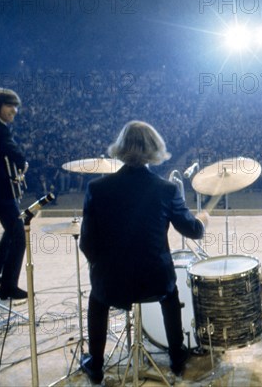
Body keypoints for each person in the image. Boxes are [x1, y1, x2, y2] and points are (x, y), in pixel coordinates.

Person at [79, 120, 209, 383]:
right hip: (154, 280)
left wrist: (102, 269)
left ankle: (95, 365)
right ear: (154, 150)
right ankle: (176, 358)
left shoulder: (97, 188)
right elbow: (192, 230)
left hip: (111, 284)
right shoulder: (167, 189)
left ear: (121, 149)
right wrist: (202, 220)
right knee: (170, 295)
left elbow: (86, 243)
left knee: (97, 298)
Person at [0, 88, 29, 300]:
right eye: (10, 105)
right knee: (18, 235)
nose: (15, 111)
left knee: (11, 231)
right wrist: (22, 162)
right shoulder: (0, 129)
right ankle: (8, 286)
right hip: (0, 192)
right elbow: (13, 151)